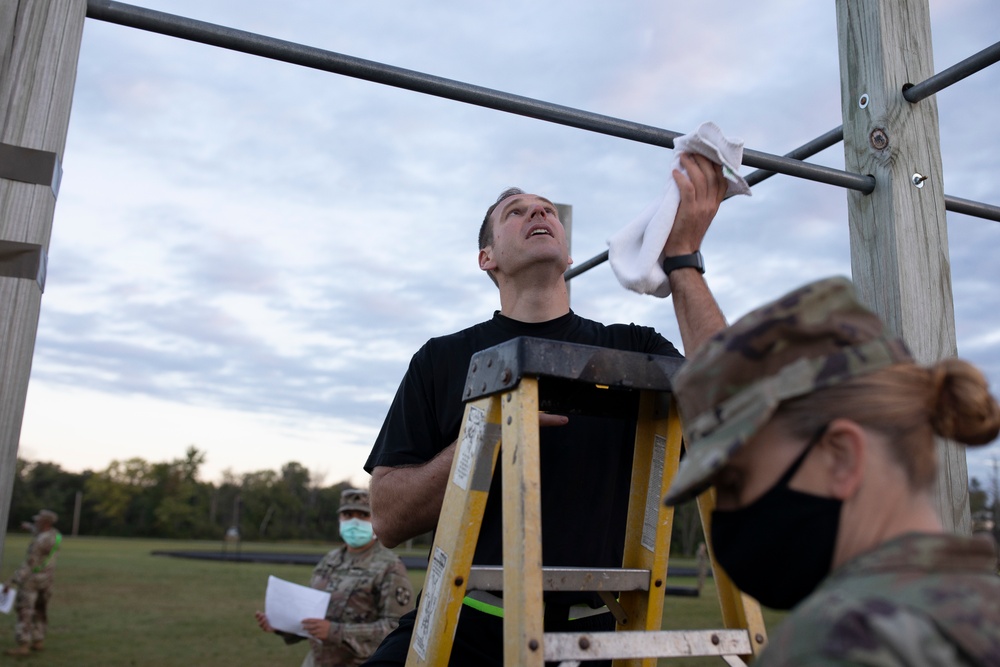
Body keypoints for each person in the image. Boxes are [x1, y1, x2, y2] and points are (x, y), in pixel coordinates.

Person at [363, 153, 731, 666]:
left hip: (594, 635)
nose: (538, 213)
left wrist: (684, 258)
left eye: (547, 210)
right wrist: (484, 438)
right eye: (516, 211)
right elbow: (386, 517)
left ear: (567, 250)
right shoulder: (441, 360)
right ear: (486, 258)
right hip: (462, 623)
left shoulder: (633, 349)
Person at [662, 276, 1000, 666]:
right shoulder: (978, 610)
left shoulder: (838, 641)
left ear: (840, 456)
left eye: (736, 482)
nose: (728, 511)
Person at [255, 489, 414, 667]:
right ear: (340, 520)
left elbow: (397, 628)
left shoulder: (390, 566)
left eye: (363, 515)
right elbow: (311, 617)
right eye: (347, 514)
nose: (354, 521)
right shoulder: (329, 560)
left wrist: (335, 631)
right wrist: (283, 624)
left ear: (375, 519)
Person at [3, 509, 62, 656]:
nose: (36, 522)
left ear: (45, 523)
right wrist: (29, 527)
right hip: (47, 580)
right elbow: (40, 533)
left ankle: (23, 645)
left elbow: (29, 564)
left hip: (32, 581)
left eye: (37, 521)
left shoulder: (39, 542)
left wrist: (11, 581)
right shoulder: (56, 536)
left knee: (25, 611)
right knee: (40, 611)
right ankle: (38, 641)